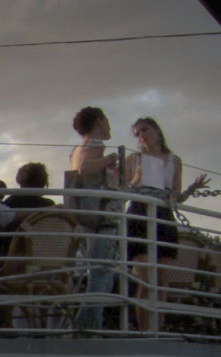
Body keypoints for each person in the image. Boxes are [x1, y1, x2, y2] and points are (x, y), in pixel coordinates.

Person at [122, 117, 208, 330]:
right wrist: (136, 179)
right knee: (146, 278)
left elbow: (175, 198)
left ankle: (157, 328)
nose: (141, 135)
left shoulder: (174, 160)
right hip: (140, 213)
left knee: (161, 280)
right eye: (137, 133)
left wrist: (191, 189)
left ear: (157, 131)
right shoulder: (134, 159)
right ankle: (144, 330)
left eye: (144, 130)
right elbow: (122, 189)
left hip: (163, 215)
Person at [70, 106, 123, 331]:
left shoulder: (77, 148)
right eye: (107, 120)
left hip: (85, 216)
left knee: (104, 273)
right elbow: (85, 168)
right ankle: (87, 326)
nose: (109, 125)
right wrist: (109, 158)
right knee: (101, 271)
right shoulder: (95, 145)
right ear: (100, 121)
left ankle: (94, 323)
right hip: (100, 216)